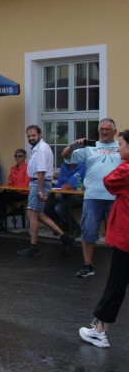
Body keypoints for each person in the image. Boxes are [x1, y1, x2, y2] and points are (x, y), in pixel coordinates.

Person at [78, 129, 129, 348]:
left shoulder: (125, 169)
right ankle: (100, 328)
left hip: (126, 237)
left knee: (115, 285)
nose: (119, 149)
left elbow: (109, 181)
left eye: (122, 145)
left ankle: (100, 331)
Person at [62, 118, 121, 278]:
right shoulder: (90, 148)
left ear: (114, 131)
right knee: (88, 231)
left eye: (108, 129)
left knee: (121, 234)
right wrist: (74, 145)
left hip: (117, 198)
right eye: (102, 129)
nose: (104, 132)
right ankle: (88, 265)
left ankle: (121, 268)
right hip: (93, 197)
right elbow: (66, 156)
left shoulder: (121, 147)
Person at [16, 125, 75, 257]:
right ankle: (64, 237)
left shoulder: (41, 149)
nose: (31, 138)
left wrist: (40, 190)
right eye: (29, 136)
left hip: (39, 182)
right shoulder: (38, 148)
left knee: (32, 215)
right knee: (38, 214)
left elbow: (41, 171)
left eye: (33, 135)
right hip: (37, 182)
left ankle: (34, 246)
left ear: (40, 135)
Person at [0, 148, 30, 232]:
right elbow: (10, 181)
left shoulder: (27, 168)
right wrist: (10, 183)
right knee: (1, 198)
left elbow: (26, 185)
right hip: (13, 192)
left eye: (20, 156)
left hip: (23, 193)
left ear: (24, 157)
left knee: (1, 197)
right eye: (16, 156)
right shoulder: (13, 168)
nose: (17, 158)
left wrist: (13, 186)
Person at [44, 161, 85, 235]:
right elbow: (59, 183)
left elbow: (86, 183)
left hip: (78, 196)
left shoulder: (83, 167)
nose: (68, 159)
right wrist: (51, 186)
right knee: (46, 206)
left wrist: (72, 186)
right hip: (64, 196)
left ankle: (76, 227)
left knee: (59, 208)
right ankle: (62, 225)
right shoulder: (64, 167)